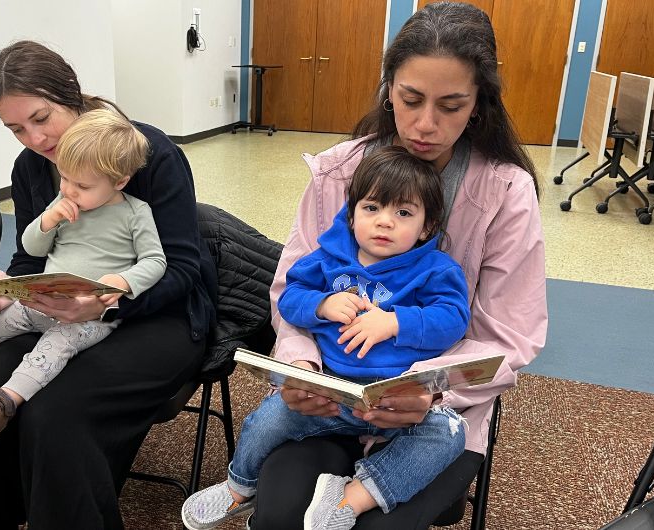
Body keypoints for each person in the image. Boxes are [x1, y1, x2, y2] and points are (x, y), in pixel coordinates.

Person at [245, 3, 546, 528]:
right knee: (280, 517)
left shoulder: (505, 191)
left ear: (478, 105)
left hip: (433, 416)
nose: (425, 124)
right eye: (410, 99)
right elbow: (292, 289)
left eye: (451, 106)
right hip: (329, 397)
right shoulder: (339, 172)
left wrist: (427, 392)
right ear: (388, 90)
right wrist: (301, 369)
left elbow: (508, 335)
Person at [0, 40, 216, 529]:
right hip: (61, 312)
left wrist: (108, 305)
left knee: (56, 415)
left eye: (41, 118)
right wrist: (5, 286)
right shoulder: (31, 167)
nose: (35, 138)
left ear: (69, 93)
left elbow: (181, 269)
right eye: (16, 129)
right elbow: (31, 259)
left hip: (159, 315)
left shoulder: (147, 152)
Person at [182, 146, 471, 530]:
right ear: (351, 215)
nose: (384, 222)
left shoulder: (436, 269)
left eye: (403, 213)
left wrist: (395, 322)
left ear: (427, 227)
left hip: (399, 399)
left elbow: (453, 319)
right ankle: (239, 486)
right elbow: (290, 298)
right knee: (271, 415)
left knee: (449, 433)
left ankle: (351, 499)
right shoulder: (327, 259)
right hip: (332, 392)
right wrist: (322, 304)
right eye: (372, 208)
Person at [0, 109, 168, 445]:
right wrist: (48, 221)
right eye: (64, 178)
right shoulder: (63, 201)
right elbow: (32, 246)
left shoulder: (135, 213)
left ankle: (2, 403)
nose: (70, 190)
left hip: (87, 317)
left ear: (119, 182)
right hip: (42, 301)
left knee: (53, 347)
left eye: (82, 185)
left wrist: (124, 282)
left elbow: (155, 260)